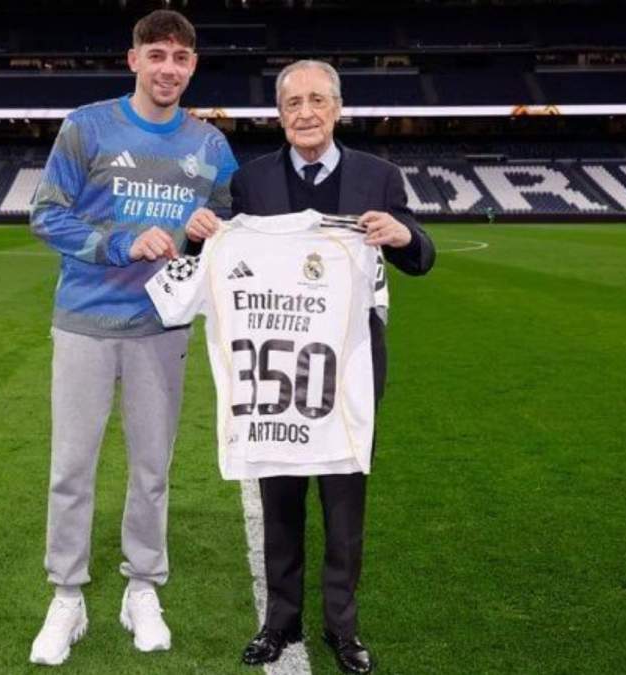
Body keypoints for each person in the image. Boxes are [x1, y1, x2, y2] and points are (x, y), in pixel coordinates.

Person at [186, 59, 435, 674]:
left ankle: (343, 629)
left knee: (345, 508)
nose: (305, 112)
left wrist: (401, 234)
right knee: (280, 503)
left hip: (348, 375)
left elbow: (421, 255)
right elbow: (219, 256)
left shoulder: (379, 177)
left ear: (337, 108)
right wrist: (197, 235)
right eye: (293, 102)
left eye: (317, 100)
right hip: (273, 376)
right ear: (279, 114)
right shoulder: (252, 183)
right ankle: (280, 621)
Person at [27, 9, 237, 667]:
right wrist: (116, 242)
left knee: (152, 468)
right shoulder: (87, 125)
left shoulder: (211, 147)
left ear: (193, 66)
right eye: (157, 55)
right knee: (71, 468)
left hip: (161, 327)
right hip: (85, 321)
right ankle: (68, 595)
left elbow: (227, 228)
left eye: (180, 57)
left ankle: (141, 587)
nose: (168, 68)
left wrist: (211, 228)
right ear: (134, 60)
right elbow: (45, 215)